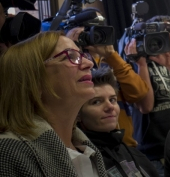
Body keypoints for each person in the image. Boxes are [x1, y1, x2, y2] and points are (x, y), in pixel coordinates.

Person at [0, 31, 108, 176]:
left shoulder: (85, 148)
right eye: (71, 56)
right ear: (34, 80)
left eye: (83, 55)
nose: (89, 63)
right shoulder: (7, 152)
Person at [128, 15, 170, 175]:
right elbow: (146, 107)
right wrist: (141, 64)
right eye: (162, 31)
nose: (168, 34)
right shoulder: (135, 69)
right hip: (155, 154)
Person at [68, 25, 149, 147]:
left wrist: (111, 55)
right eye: (89, 30)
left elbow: (139, 93)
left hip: (124, 145)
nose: (95, 35)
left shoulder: (113, 63)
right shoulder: (73, 66)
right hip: (89, 145)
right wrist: (70, 50)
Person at [78, 67, 159, 177]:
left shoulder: (134, 154)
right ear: (77, 114)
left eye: (112, 100)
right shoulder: (78, 160)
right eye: (96, 102)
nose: (110, 107)